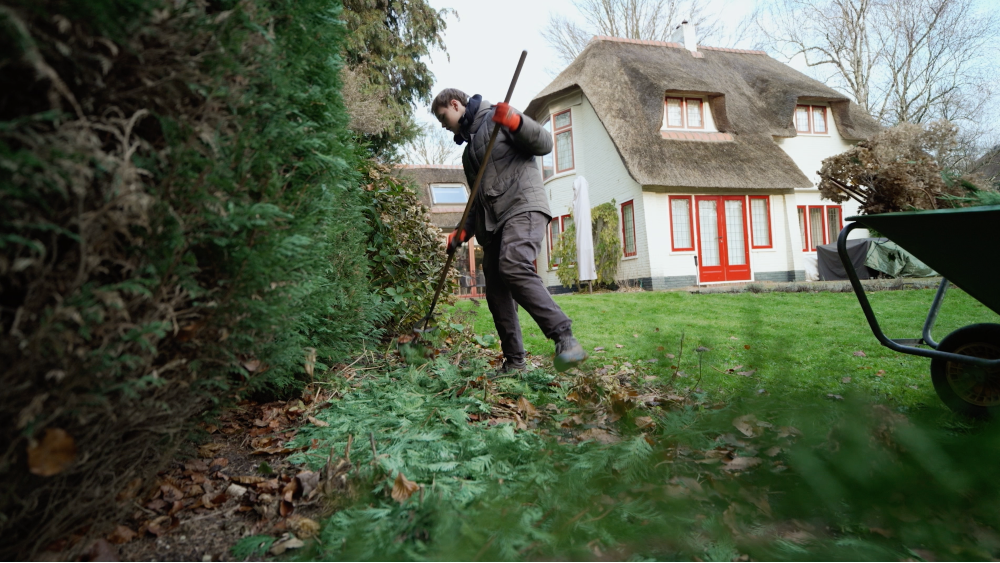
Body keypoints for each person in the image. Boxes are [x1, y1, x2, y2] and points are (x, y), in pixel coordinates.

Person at [431, 88, 587, 376]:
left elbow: (544, 142)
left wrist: (516, 121)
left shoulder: (498, 118)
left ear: (455, 104)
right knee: (497, 293)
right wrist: (460, 234)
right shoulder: (468, 155)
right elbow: (477, 201)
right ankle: (515, 363)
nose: (443, 125)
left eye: (443, 117)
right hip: (493, 226)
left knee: (513, 264)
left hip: (522, 206)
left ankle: (565, 339)